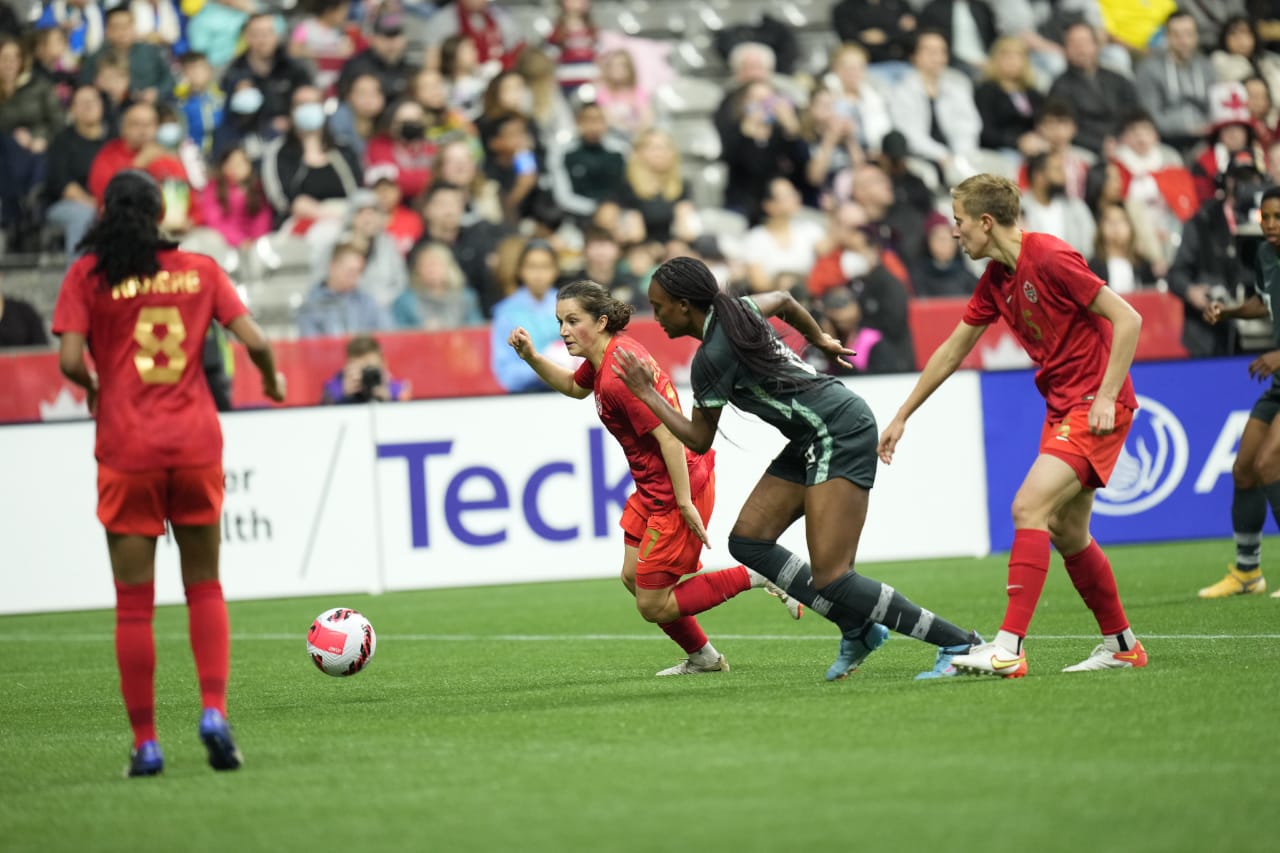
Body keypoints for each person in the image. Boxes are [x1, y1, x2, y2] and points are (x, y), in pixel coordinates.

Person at [613, 256, 982, 682]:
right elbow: (786, 299)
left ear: (683, 305)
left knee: (833, 577)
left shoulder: (712, 356)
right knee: (749, 541)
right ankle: (857, 629)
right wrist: (819, 338)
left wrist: (647, 393)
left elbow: (698, 439)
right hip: (814, 433)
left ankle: (960, 643)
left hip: (837, 430)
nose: (656, 316)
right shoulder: (742, 309)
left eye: (659, 306)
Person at [50, 170, 285, 776]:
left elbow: (69, 359)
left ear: (105, 213)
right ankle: (214, 712)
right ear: (161, 214)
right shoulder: (200, 270)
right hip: (195, 443)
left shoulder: (88, 275)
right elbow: (256, 340)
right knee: (204, 586)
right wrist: (271, 379)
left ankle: (147, 743)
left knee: (134, 605)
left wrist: (95, 386)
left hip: (128, 448)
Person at [878, 173, 1148, 678]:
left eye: (959, 221)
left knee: (1028, 507)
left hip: (1093, 405)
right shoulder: (996, 279)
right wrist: (901, 415)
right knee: (1068, 531)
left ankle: (1008, 648)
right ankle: (1122, 646)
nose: (954, 231)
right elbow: (952, 351)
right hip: (1063, 407)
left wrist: (1108, 396)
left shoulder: (1050, 256)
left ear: (985, 222)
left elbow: (1128, 318)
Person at [508, 279, 802, 675]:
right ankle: (704, 658)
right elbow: (574, 387)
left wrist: (683, 503)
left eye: (573, 321)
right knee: (633, 577)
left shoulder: (617, 374)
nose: (563, 331)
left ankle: (759, 575)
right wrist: (531, 356)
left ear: (600, 322)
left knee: (652, 604)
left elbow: (669, 438)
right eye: (560, 321)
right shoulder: (610, 355)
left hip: (678, 488)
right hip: (654, 489)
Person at [1198, 186, 1280, 599]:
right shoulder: (1266, 255)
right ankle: (1248, 572)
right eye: (1266, 217)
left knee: (1269, 463)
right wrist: (1228, 311)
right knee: (1245, 468)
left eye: (1278, 217)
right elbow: (1265, 303)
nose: (1270, 225)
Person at [321, 334, 410, 403]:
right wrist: (343, 397)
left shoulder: (399, 389)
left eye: (370, 370)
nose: (365, 376)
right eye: (360, 370)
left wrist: (390, 400)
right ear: (346, 368)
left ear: (383, 364)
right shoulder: (333, 389)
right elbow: (323, 413)